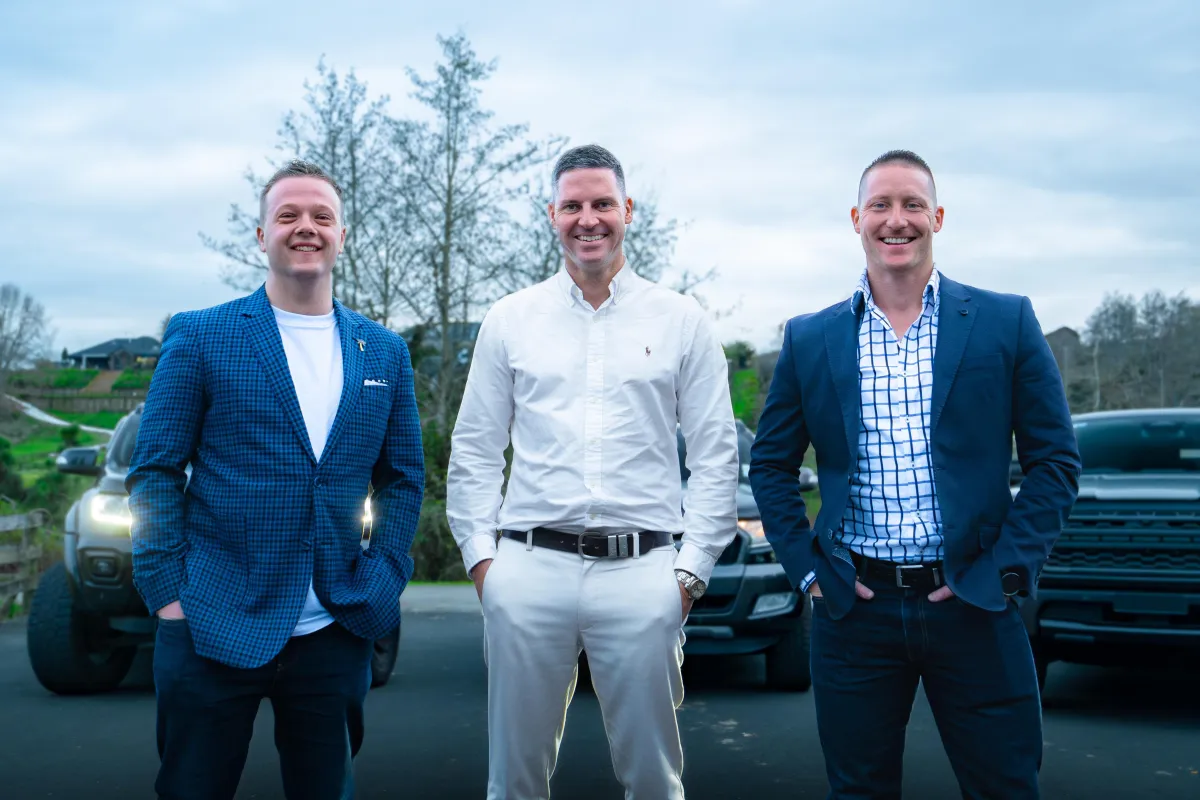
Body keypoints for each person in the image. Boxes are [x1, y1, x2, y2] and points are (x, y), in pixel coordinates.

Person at [749, 150, 1081, 798]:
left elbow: (1056, 462)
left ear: (938, 216)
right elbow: (770, 464)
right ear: (856, 218)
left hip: (975, 605)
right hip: (855, 612)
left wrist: (1004, 574)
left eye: (911, 205)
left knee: (1007, 789)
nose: (896, 220)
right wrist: (812, 571)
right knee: (859, 791)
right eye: (881, 205)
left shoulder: (1004, 322)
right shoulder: (810, 338)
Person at [446, 143, 739, 799]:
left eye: (602, 203)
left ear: (627, 210)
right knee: (513, 783)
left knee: (653, 782)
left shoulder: (680, 319)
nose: (588, 218)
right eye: (572, 205)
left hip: (644, 574)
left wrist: (688, 575)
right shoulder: (510, 320)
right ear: (551, 214)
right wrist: (486, 568)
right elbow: (475, 450)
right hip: (528, 570)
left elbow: (717, 452)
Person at [127, 159, 425, 800]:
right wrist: (165, 593)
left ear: (343, 234)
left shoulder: (384, 351)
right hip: (208, 621)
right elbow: (153, 470)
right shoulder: (201, 336)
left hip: (333, 628)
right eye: (287, 215)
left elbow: (403, 480)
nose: (305, 227)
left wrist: (383, 578)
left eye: (322, 216)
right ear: (261, 235)